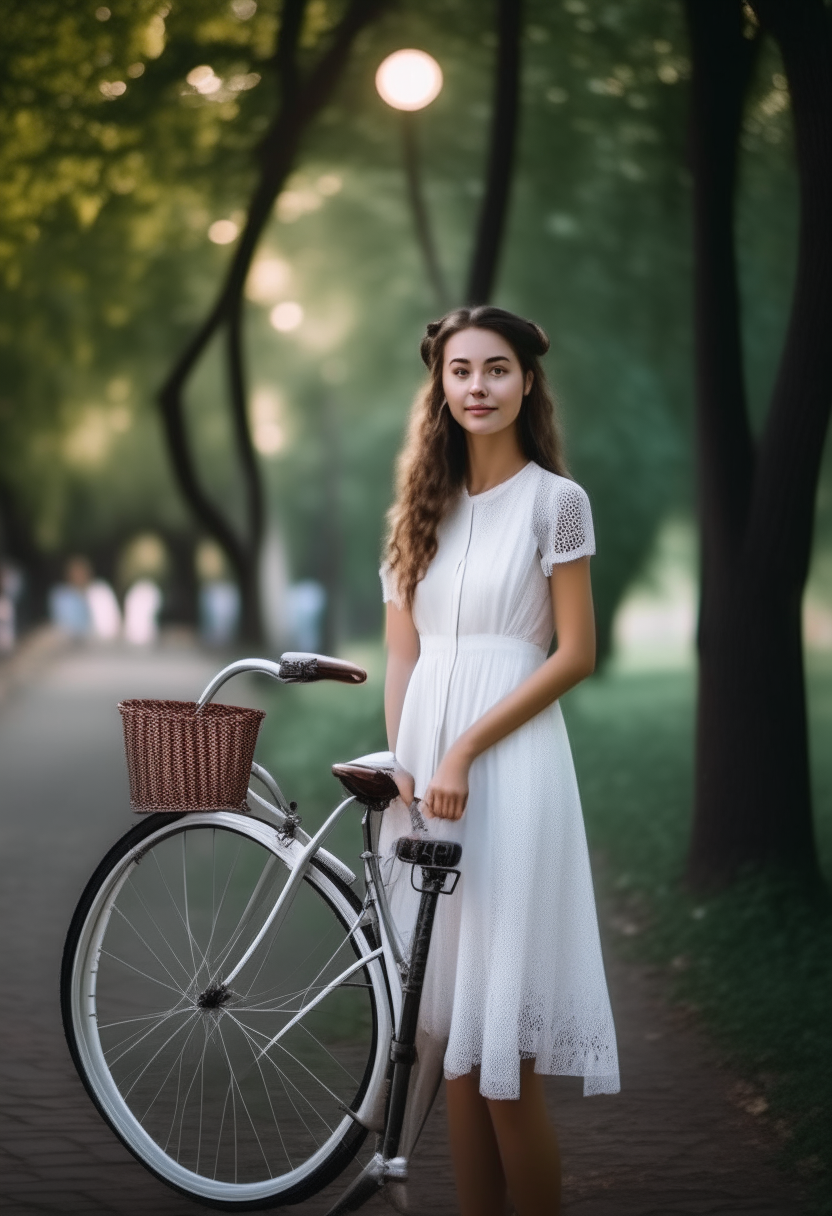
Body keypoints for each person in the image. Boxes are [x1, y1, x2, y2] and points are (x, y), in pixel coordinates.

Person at [380, 306, 619, 1216]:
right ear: (439, 385)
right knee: (447, 1043)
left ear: (527, 383)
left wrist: (468, 746)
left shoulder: (557, 502)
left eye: (498, 369)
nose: (477, 387)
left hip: (511, 774)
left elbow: (574, 653)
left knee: (505, 1066)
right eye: (461, 371)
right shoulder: (419, 511)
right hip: (427, 784)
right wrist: (406, 761)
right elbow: (404, 654)